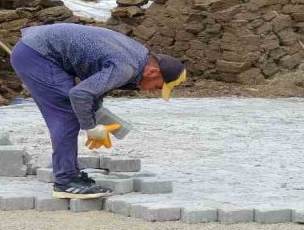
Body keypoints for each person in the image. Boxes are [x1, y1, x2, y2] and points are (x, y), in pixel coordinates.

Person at [11, 23, 187, 200]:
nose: (152, 91)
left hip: (37, 48)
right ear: (153, 71)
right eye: (157, 86)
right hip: (36, 55)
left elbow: (95, 85)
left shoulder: (139, 56)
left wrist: (98, 114)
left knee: (72, 109)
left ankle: (70, 174)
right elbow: (80, 94)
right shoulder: (126, 68)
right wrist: (91, 128)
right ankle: (66, 181)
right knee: (66, 114)